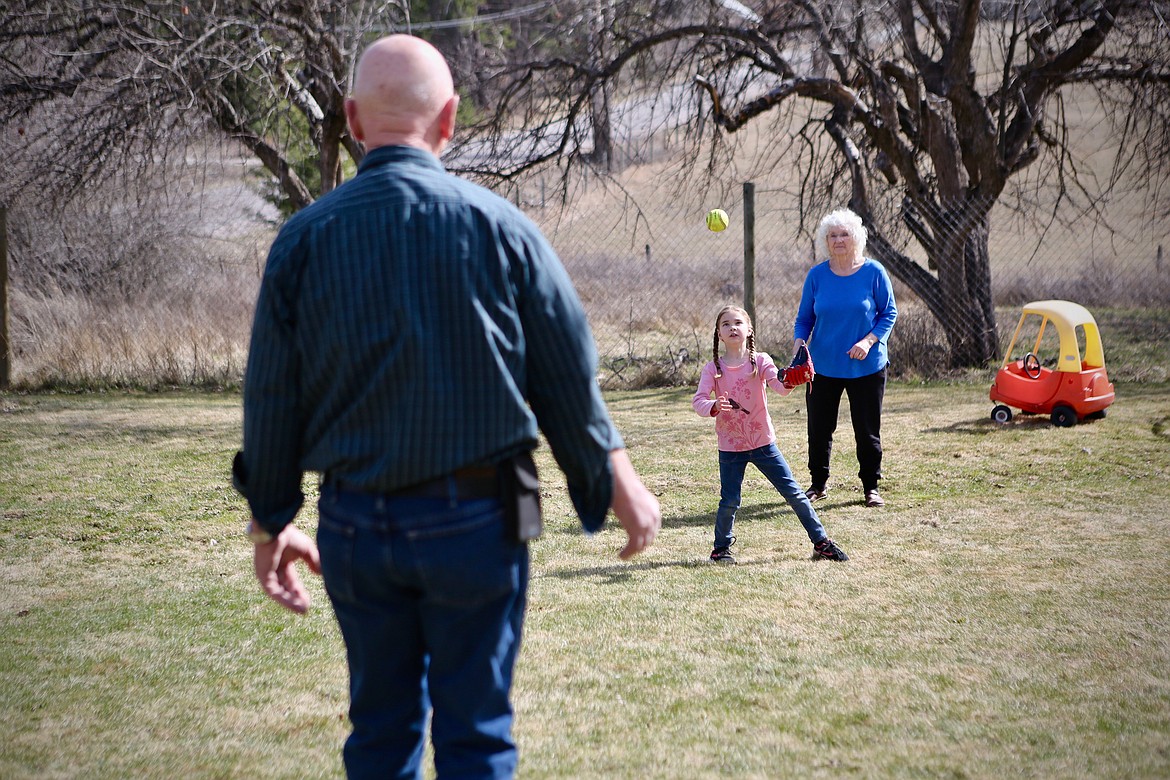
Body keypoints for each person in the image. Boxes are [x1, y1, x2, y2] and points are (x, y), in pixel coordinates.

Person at [231, 34, 661, 780]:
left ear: (352, 120)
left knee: (381, 733)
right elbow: (565, 374)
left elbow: (271, 395)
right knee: (477, 736)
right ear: (450, 119)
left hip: (355, 524)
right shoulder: (503, 230)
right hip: (484, 519)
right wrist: (614, 484)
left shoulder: (302, 240)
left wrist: (272, 518)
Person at [692, 305, 849, 564]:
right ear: (719, 334)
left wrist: (792, 380)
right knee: (729, 501)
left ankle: (821, 543)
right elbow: (698, 401)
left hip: (763, 442)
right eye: (726, 324)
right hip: (730, 446)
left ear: (749, 330)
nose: (733, 327)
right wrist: (714, 406)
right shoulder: (713, 369)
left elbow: (780, 386)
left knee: (794, 494)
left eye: (738, 323)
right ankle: (720, 550)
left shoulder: (760, 361)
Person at [793, 207, 898, 507]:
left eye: (845, 234)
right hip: (823, 366)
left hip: (867, 365)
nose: (839, 240)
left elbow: (888, 313)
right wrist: (800, 345)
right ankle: (818, 484)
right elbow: (804, 319)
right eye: (833, 235)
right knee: (819, 429)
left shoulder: (874, 272)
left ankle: (870, 487)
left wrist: (868, 341)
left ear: (857, 238)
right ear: (825, 241)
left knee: (866, 430)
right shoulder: (816, 276)